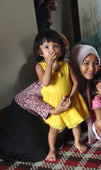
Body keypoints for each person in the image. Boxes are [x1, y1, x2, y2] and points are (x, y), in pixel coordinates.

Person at [0, 44, 100, 162]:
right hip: (26, 108)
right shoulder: (58, 77)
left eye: (96, 63)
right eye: (86, 63)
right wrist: (53, 111)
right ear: (77, 61)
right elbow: (30, 98)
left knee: (74, 125)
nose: (92, 68)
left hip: (54, 110)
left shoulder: (83, 79)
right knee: (40, 152)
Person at [34, 30, 90, 161]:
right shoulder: (40, 66)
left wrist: (71, 95)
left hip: (69, 100)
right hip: (54, 104)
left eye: (56, 46)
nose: (52, 50)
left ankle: (77, 141)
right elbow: (46, 82)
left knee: (75, 124)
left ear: (61, 49)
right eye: (47, 47)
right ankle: (52, 149)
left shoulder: (66, 65)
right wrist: (49, 65)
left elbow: (75, 82)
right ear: (40, 52)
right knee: (54, 129)